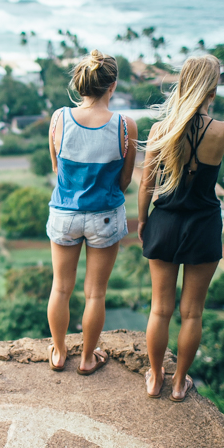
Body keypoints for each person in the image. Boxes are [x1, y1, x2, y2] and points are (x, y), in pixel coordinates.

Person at [138, 52, 224, 401]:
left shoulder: (161, 129)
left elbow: (146, 184)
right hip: (202, 226)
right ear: (212, 91)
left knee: (160, 309)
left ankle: (155, 378)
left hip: (165, 222)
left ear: (183, 84)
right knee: (193, 312)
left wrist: (143, 221)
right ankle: (178, 383)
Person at [47, 50, 137, 373]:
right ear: (112, 85)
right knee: (95, 293)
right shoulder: (125, 126)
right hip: (105, 215)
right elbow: (125, 180)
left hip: (64, 213)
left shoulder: (59, 118)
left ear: (80, 83)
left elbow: (58, 170)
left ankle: (58, 353)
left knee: (61, 287)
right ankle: (87, 358)